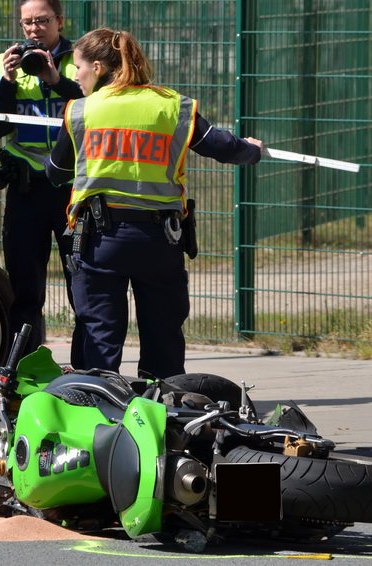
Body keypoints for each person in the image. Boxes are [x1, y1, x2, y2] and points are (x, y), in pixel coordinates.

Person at [45, 27, 265, 378]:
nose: (75, 75)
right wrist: (252, 150)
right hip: (160, 242)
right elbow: (221, 146)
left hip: (99, 244)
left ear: (99, 68)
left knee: (99, 338)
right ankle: (162, 417)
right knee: (163, 339)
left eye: (79, 68)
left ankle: (95, 415)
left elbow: (56, 173)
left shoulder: (80, 112)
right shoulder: (172, 106)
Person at [0, 0, 86, 358]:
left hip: (73, 189)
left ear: (60, 21)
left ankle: (86, 372)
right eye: (28, 21)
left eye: (43, 20)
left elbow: (95, 106)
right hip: (27, 189)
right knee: (25, 288)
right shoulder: (6, 61)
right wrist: (7, 81)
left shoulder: (81, 60)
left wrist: (55, 78)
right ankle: (23, 371)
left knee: (83, 283)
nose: (34, 29)